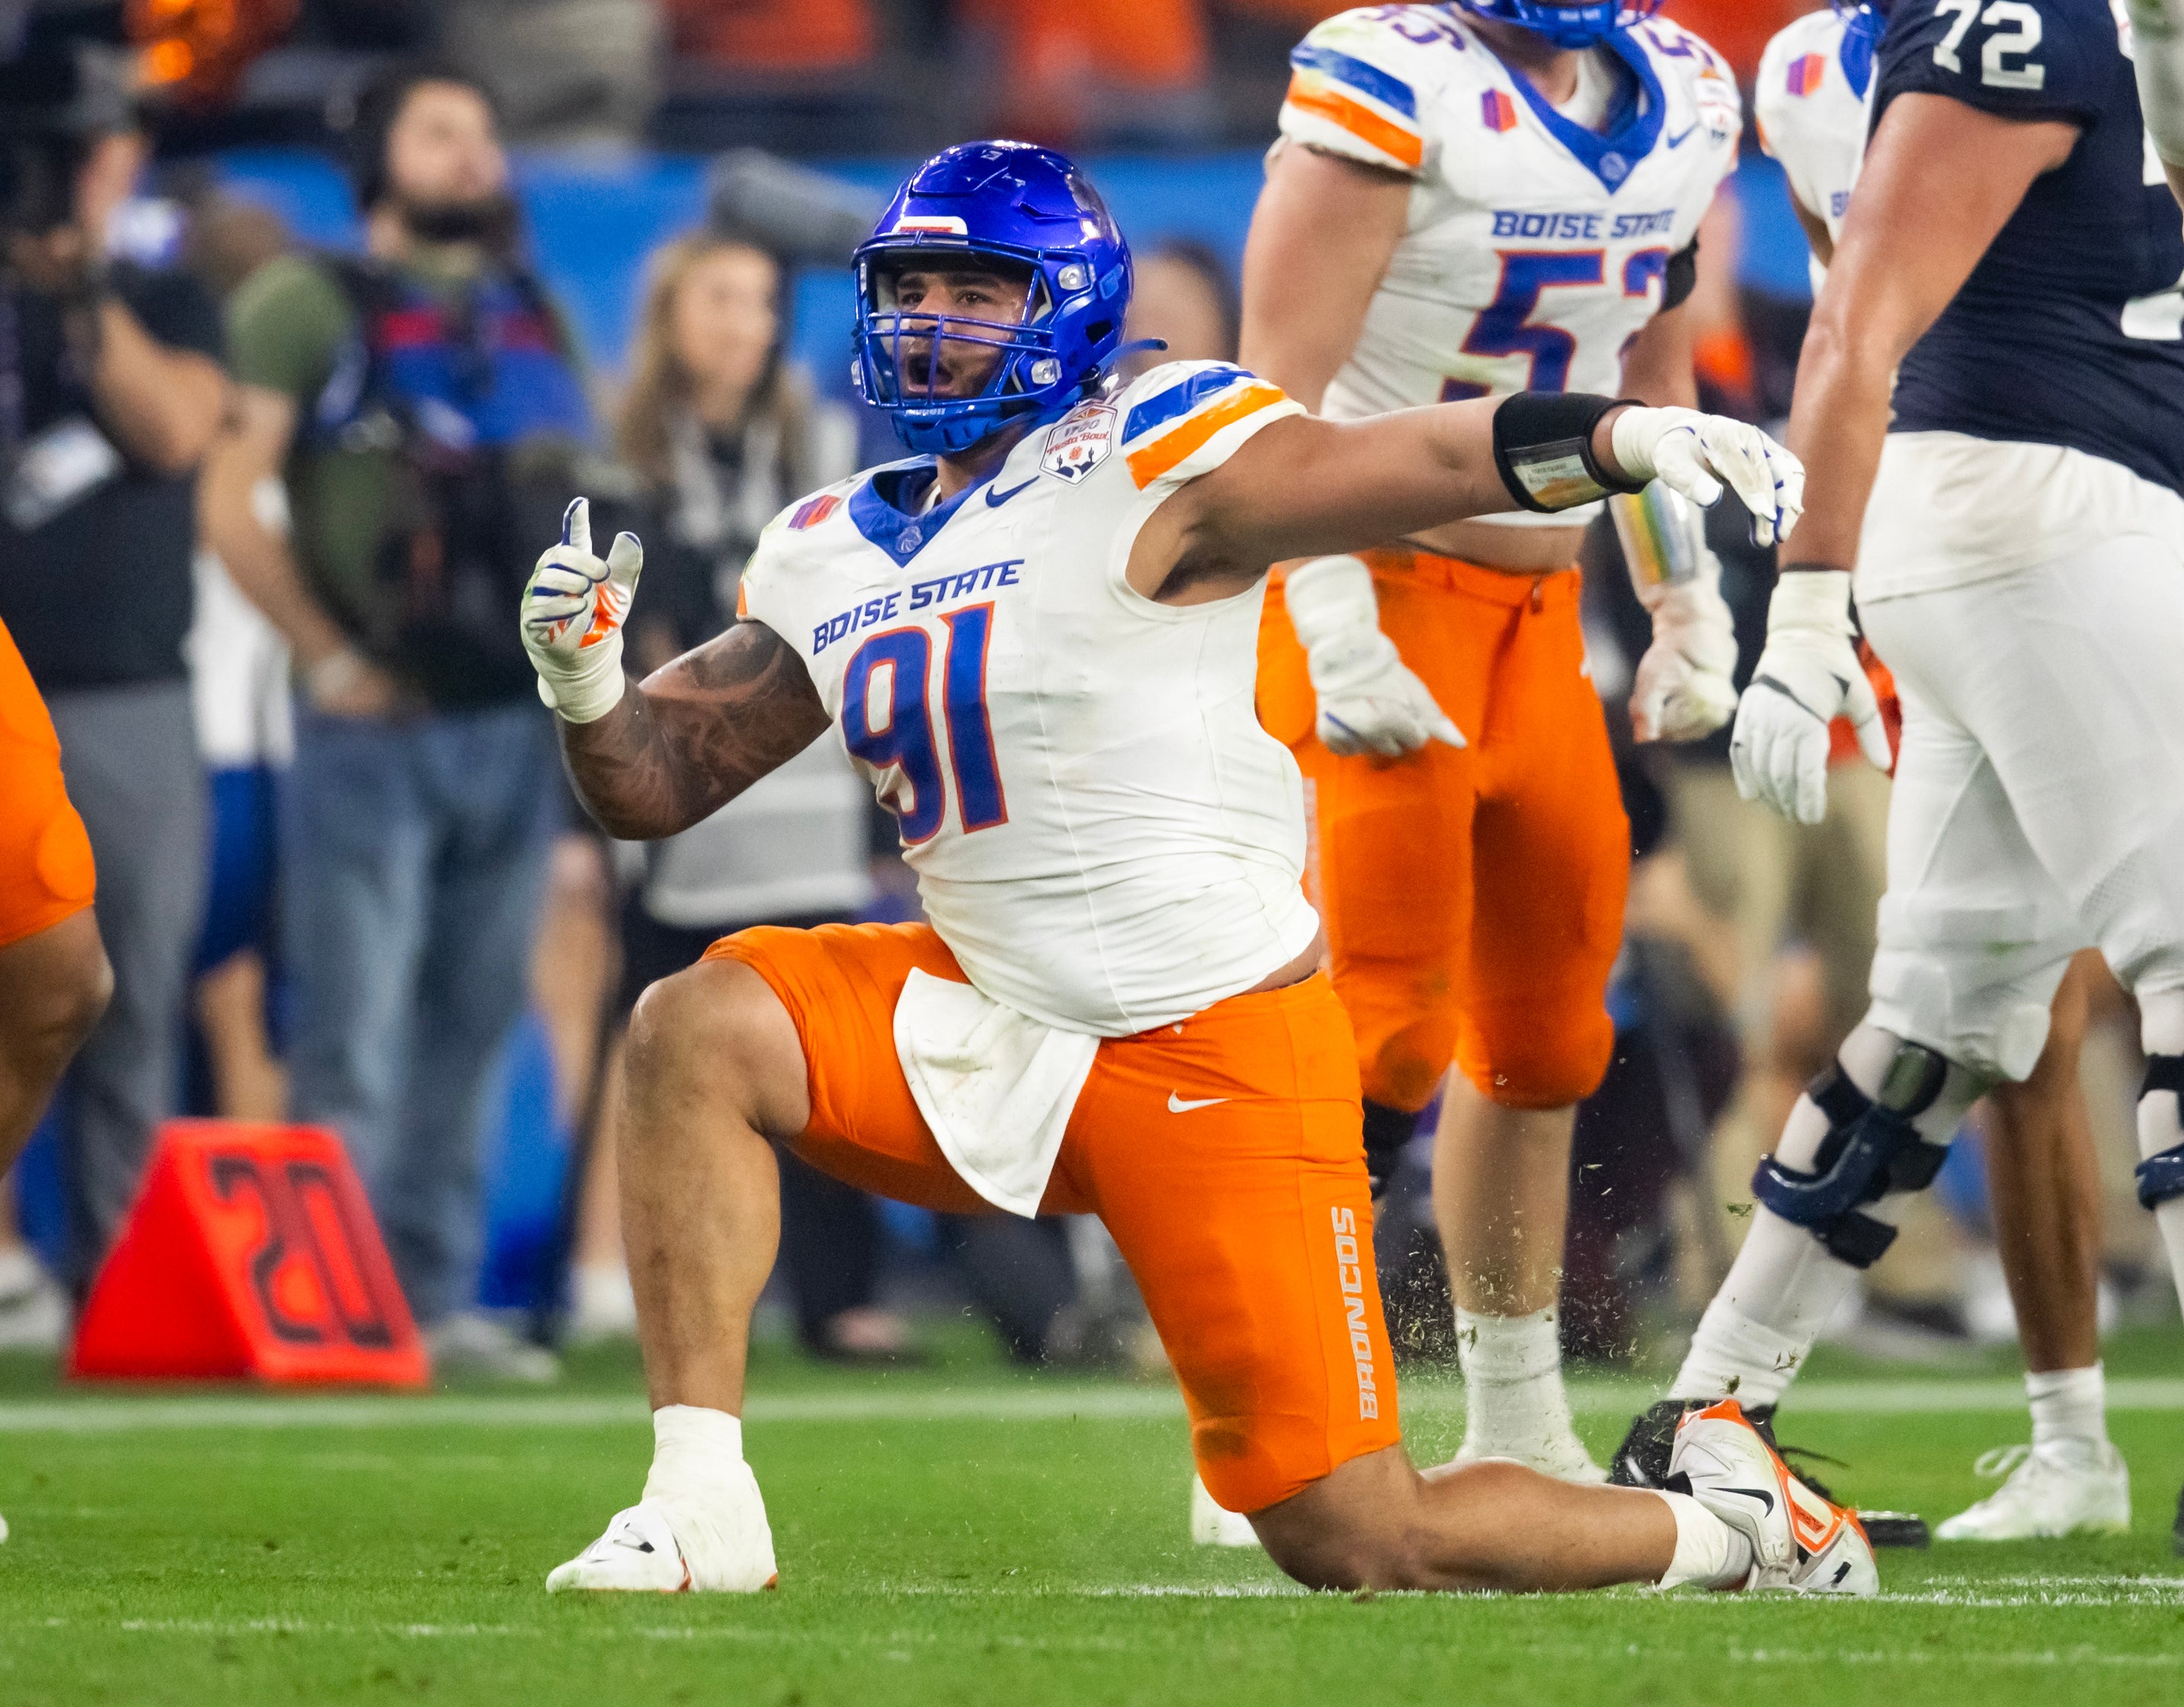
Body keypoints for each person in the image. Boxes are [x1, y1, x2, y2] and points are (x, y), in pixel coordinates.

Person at [524, 139, 1870, 1600]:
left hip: (1211, 1044)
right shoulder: (824, 547)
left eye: (972, 293)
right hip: (984, 1011)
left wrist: (1617, 437)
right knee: (693, 1026)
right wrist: (587, 684)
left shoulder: (1157, 447)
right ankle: (697, 1504)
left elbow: (1402, 458)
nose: (926, 323)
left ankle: (1743, 1535)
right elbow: (663, 785)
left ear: (1070, 307)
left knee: (1359, 1536)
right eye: (905, 291)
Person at [1616, 0, 2184, 1555]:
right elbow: (1856, 311)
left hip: (2035, 515)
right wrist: (1800, 611)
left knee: (1944, 1012)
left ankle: (1707, 1414)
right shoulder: (2013, 24)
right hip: (2043, 507)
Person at [1238, 0, 1747, 1485]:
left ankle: (1515, 1416)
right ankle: (1274, 1413)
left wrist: (1682, 599)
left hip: (1538, 625)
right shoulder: (1388, 80)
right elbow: (1262, 385)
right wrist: (1327, 612)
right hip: (1377, 586)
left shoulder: (1676, 97)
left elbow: (1644, 389)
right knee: (1377, 1026)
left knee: (1543, 1034)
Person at [200, 61, 600, 1379]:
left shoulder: (528, 305)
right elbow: (227, 490)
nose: (474, 155)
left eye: (483, 131)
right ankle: (330, 1303)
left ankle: (433, 1303)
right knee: (354, 1027)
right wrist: (322, 657)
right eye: (441, 133)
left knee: (475, 1024)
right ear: (377, 160)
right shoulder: (304, 299)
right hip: (372, 720)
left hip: (509, 714)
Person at [567, 228, 903, 1360]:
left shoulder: (817, 451)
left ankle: (836, 1296)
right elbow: (612, 642)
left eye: (760, 301)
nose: (744, 324)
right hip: (680, 823)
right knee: (649, 1047)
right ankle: (609, 1275)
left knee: (820, 1063)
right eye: (719, 297)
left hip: (802, 807)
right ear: (669, 315)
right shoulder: (624, 464)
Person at [0, 49, 227, 1294]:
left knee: (121, 990)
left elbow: (175, 427)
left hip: (121, 687)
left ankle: (120, 1282)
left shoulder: (161, 292)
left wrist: (82, 287)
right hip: (8, 679)